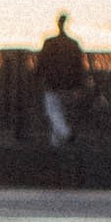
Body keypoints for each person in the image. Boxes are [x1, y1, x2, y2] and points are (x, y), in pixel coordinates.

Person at [35, 11, 87, 149]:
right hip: (70, 85)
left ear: (58, 24)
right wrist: (80, 85)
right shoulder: (73, 44)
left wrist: (36, 78)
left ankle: (65, 134)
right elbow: (80, 66)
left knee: (53, 111)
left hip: (52, 84)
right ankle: (56, 144)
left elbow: (41, 63)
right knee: (61, 112)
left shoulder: (49, 43)